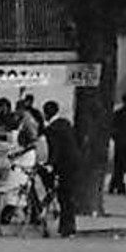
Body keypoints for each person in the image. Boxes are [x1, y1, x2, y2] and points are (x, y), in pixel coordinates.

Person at [41, 100, 80, 237]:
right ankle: (68, 227)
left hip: (64, 165)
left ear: (45, 113)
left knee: (64, 197)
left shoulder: (52, 129)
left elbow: (55, 149)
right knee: (68, 196)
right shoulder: (65, 123)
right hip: (73, 163)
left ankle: (67, 227)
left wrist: (50, 164)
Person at [108, 93, 126, 195]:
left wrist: (116, 137)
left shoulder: (118, 113)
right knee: (123, 165)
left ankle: (115, 184)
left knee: (119, 165)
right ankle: (118, 185)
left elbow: (112, 127)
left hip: (120, 142)